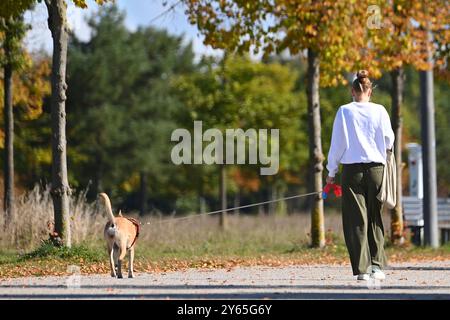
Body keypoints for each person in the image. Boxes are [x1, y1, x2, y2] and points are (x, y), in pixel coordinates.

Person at [326, 70, 395, 281]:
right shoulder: (380, 110)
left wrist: (331, 171)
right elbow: (389, 140)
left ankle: (362, 269)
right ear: (370, 91)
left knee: (356, 220)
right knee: (375, 217)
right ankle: (377, 266)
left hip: (352, 171)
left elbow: (337, 144)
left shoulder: (344, 111)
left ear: (352, 91)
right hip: (376, 169)